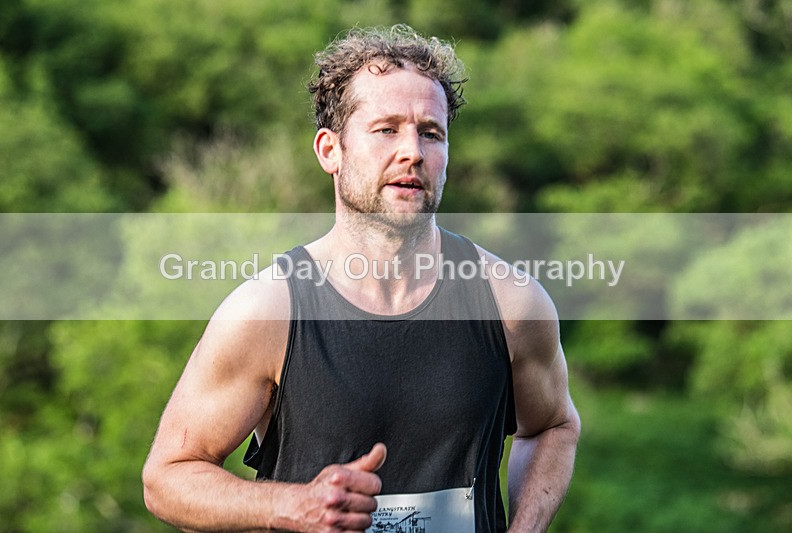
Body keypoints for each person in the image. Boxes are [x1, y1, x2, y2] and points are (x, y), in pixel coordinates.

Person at [142, 24, 580, 532]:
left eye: (430, 133)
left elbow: (553, 426)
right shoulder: (269, 311)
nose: (412, 151)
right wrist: (290, 507)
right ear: (330, 150)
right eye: (386, 129)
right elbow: (167, 478)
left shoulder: (509, 303)